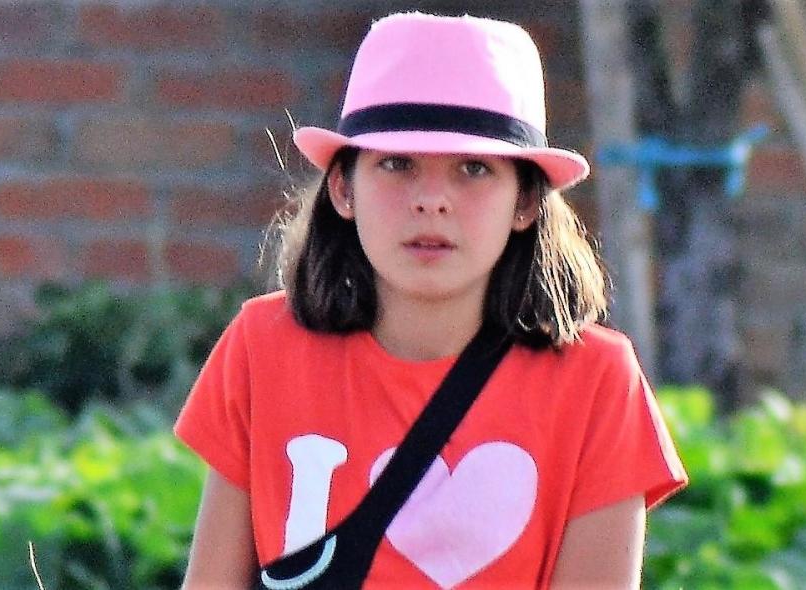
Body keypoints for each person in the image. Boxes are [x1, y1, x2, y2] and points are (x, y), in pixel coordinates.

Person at [175, 11, 687, 589]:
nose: (432, 200)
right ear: (343, 189)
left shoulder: (598, 381)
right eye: (397, 164)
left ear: (525, 202)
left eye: (474, 168)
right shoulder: (261, 347)